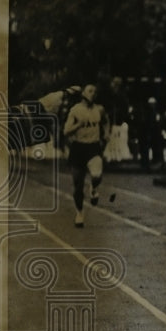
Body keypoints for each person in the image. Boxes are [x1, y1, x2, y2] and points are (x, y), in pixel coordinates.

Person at [62, 83, 110, 228]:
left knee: (96, 175)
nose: (93, 94)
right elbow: (66, 131)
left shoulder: (99, 109)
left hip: (93, 147)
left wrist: (106, 133)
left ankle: (94, 189)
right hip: (78, 148)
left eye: (95, 91)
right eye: (90, 91)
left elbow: (106, 120)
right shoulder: (75, 110)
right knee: (78, 185)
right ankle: (79, 213)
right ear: (83, 93)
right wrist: (78, 125)